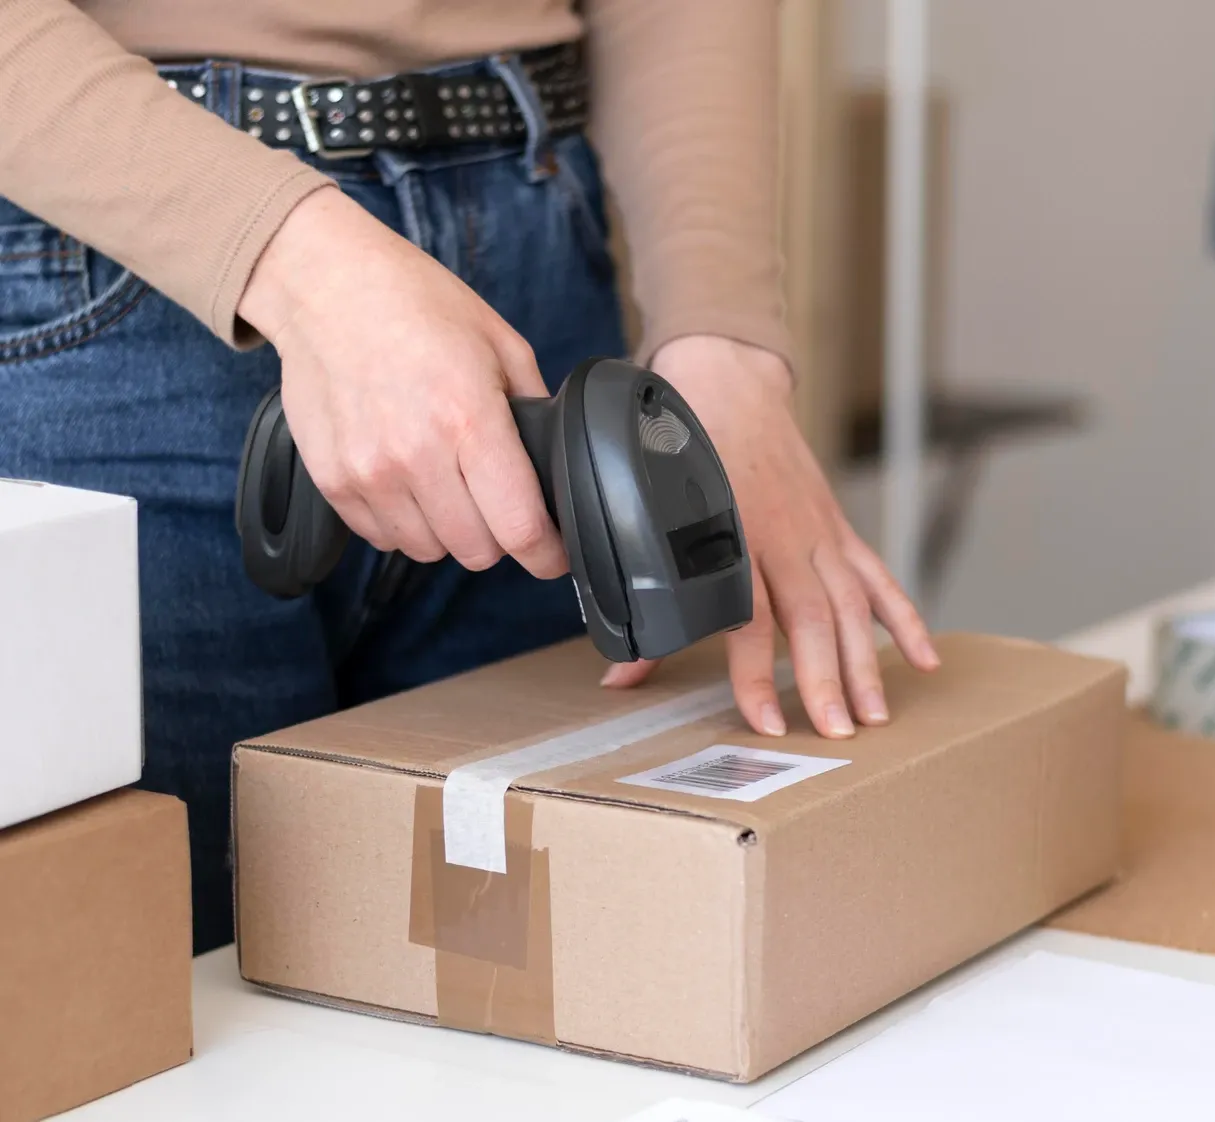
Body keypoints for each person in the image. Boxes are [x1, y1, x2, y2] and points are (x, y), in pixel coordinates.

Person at [0, 0, 940, 954]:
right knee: (142, 1016)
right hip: (119, 252)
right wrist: (306, 267)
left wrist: (720, 332)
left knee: (542, 990)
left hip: (537, 247)